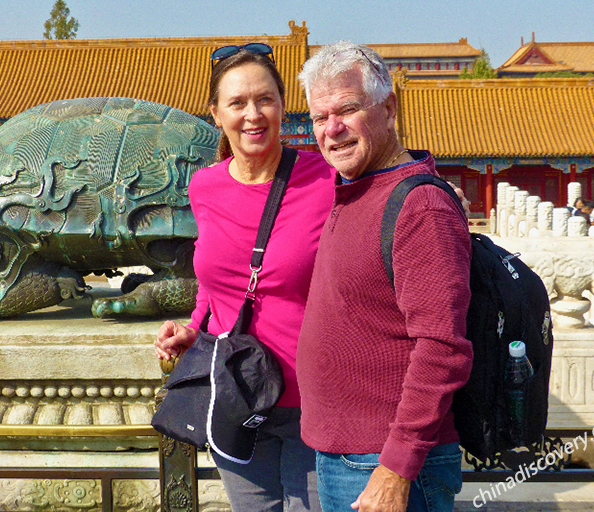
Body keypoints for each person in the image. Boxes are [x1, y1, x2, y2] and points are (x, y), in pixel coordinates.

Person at [154, 43, 334, 512]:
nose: (253, 115)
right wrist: (194, 329)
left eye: (265, 99)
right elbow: (216, 285)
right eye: (237, 103)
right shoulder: (204, 186)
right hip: (235, 394)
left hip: (312, 400)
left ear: (282, 106)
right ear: (215, 114)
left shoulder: (326, 179)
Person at [295, 41, 474, 512]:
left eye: (347, 110)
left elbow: (442, 348)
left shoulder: (420, 207)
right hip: (347, 451)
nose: (331, 129)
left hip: (384, 462)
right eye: (318, 117)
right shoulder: (356, 189)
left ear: (389, 108)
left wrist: (395, 468)